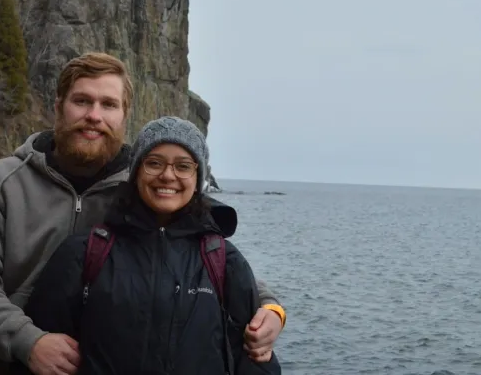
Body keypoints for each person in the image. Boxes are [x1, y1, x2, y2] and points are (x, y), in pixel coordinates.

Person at [0, 53, 286, 375]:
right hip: (0, 364)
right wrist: (28, 342)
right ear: (58, 107)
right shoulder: (2, 181)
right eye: (82, 101)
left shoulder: (145, 187)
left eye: (109, 104)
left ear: (125, 116)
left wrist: (270, 309)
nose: (94, 115)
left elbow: (199, 251)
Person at [16, 116, 282, 375]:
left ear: (198, 177)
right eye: (154, 163)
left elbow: (255, 358)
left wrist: (273, 315)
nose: (168, 176)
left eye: (183, 166)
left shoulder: (222, 258)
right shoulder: (86, 251)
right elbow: (43, 355)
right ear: (135, 172)